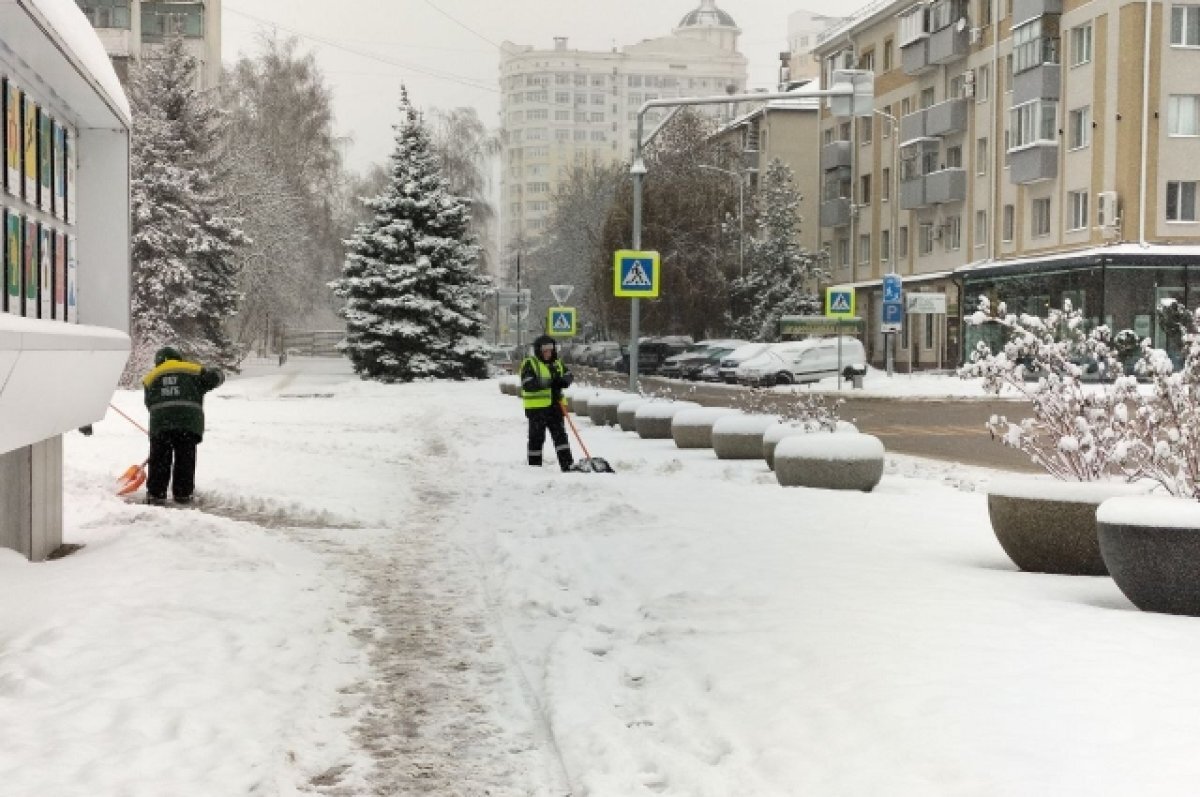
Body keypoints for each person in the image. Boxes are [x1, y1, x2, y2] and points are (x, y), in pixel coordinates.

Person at [142, 346, 224, 504]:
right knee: (185, 459)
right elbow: (214, 378)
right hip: (188, 424)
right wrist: (218, 373)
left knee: (159, 459)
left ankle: (156, 494)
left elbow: (149, 403)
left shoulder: (150, 377)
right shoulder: (193, 370)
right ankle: (183, 494)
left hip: (161, 425)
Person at [520, 335, 574, 471]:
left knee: (561, 438)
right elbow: (528, 383)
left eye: (550, 350)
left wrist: (565, 380)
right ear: (538, 350)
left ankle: (567, 465)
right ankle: (534, 467)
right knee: (536, 439)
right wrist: (550, 383)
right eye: (545, 350)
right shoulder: (530, 363)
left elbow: (569, 374)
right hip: (537, 410)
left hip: (555, 407)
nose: (548, 353)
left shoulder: (557, 363)